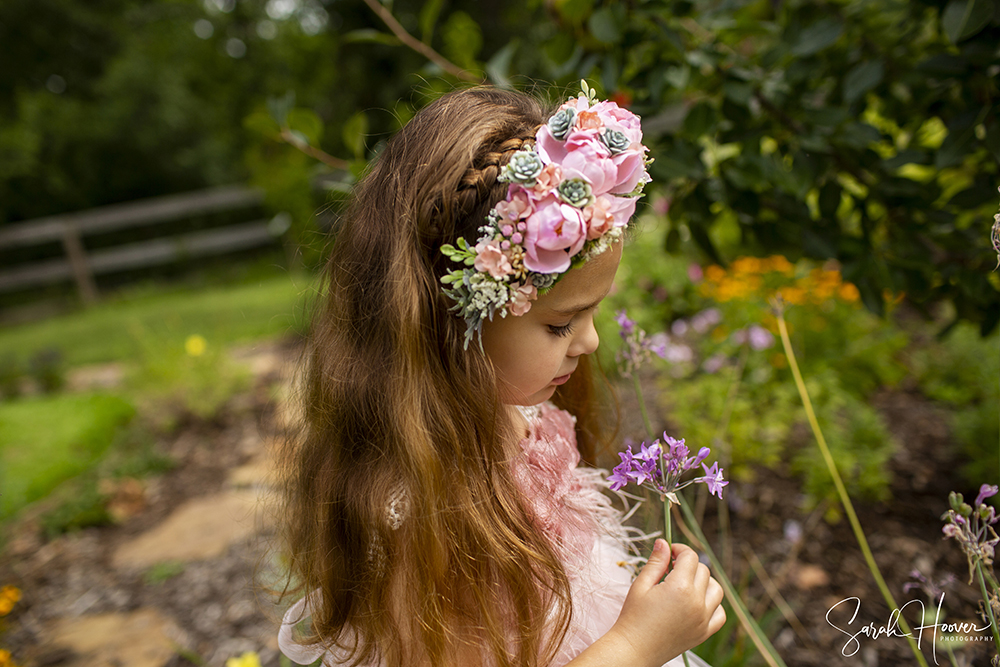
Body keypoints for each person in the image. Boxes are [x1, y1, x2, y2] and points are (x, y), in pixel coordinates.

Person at [277, 85, 726, 667]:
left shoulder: (519, 410)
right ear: (450, 322)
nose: (589, 343)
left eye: (593, 312)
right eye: (561, 325)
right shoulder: (426, 513)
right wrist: (637, 646)